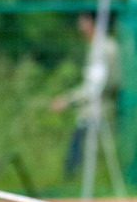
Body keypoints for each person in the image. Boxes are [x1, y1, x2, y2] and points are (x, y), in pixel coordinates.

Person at [49, 12, 120, 178]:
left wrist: (68, 100)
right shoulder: (96, 48)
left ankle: (73, 179)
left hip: (100, 108)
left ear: (90, 22)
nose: (79, 24)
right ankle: (74, 179)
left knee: (82, 144)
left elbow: (98, 86)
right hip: (91, 107)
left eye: (82, 20)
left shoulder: (104, 49)